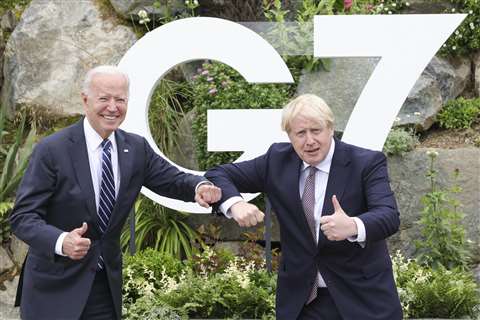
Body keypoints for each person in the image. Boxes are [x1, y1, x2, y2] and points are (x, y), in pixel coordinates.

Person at [10, 65, 222, 320]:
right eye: (104, 98)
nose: (113, 107)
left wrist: (200, 187)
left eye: (120, 99)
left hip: (104, 288)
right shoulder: (52, 150)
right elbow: (23, 217)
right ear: (85, 100)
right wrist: (61, 241)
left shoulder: (135, 148)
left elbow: (172, 180)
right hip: (54, 288)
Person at [205, 94, 403, 320]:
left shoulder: (366, 163)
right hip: (302, 303)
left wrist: (353, 226)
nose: (309, 141)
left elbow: (388, 215)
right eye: (300, 133)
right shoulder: (276, 161)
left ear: (330, 128)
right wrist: (235, 203)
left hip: (362, 301)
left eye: (316, 130)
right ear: (289, 135)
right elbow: (217, 174)